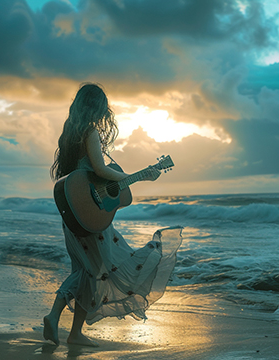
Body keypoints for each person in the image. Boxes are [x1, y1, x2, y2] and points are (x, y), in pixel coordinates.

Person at [45, 83, 182, 347]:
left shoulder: (68, 133)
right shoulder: (90, 132)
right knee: (92, 270)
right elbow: (100, 169)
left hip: (76, 211)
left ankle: (74, 334)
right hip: (91, 216)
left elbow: (82, 176)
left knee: (89, 270)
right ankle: (53, 315)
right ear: (96, 106)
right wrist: (139, 177)